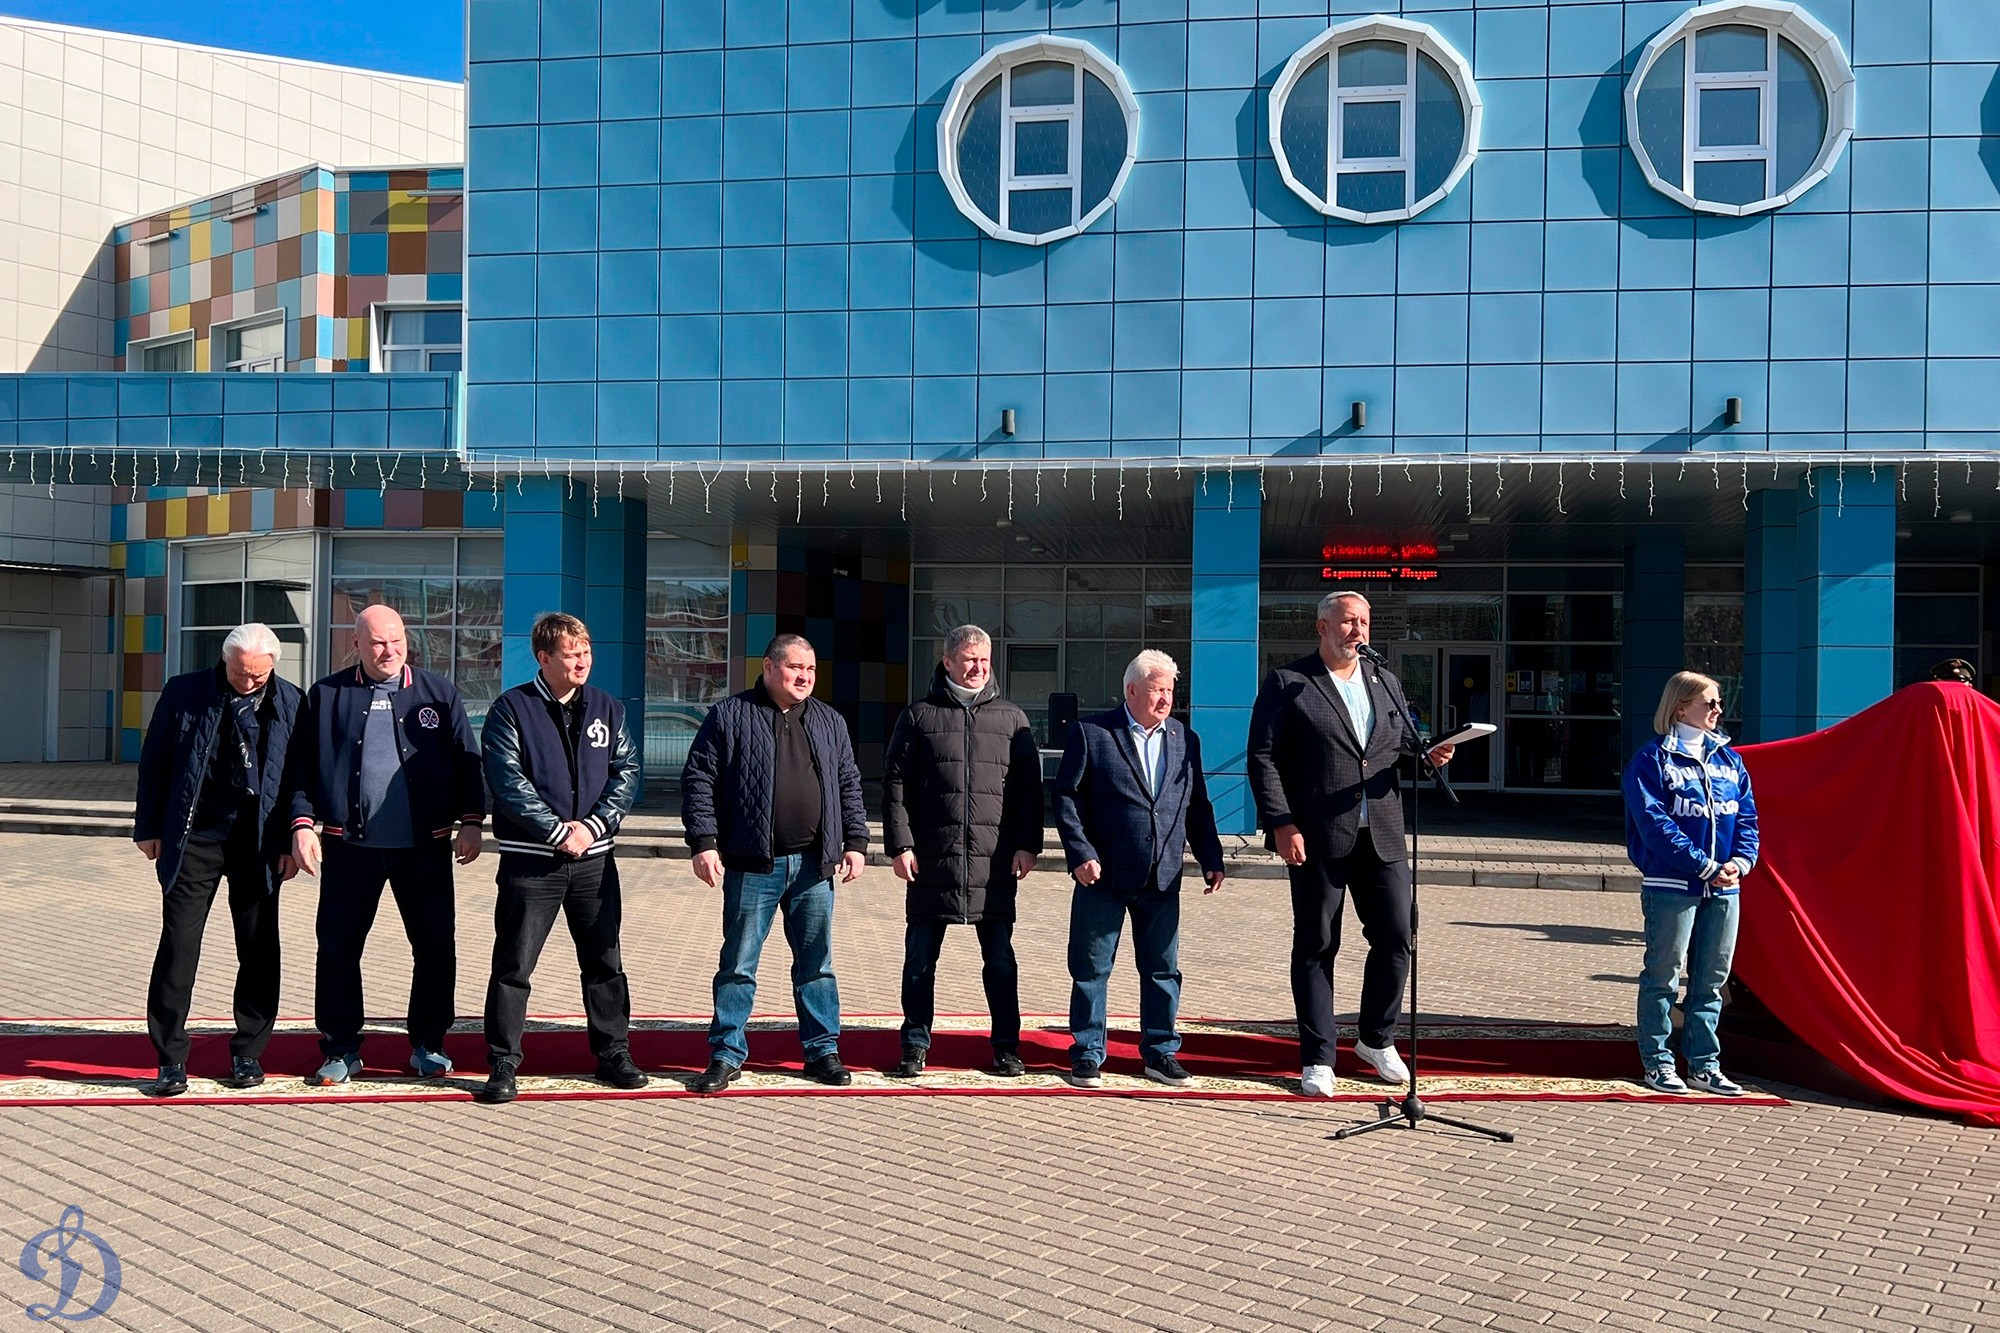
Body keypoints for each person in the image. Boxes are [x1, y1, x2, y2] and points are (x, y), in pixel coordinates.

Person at [1245, 590, 1456, 1099]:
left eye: (1363, 621)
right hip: (1317, 835)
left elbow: (1396, 747)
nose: (1357, 630)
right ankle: (1318, 1057)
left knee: (1398, 935)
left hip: (1381, 832)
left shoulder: (1385, 680)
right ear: (1322, 627)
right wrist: (1281, 823)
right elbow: (1263, 757)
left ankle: (1376, 1039)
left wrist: (1428, 755)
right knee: (1317, 943)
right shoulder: (1289, 682)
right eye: (1347, 621)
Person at [286, 604, 485, 1087]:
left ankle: (429, 1044)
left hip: (424, 847)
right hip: (349, 847)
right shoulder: (327, 695)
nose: (389, 650)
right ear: (356, 643)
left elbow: (468, 761)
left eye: (396, 640)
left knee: (435, 947)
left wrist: (472, 822)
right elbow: (300, 768)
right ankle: (340, 1047)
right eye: (377, 642)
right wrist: (301, 825)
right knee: (337, 948)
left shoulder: (438, 694)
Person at [680, 634, 869, 1093]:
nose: (804, 677)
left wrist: (856, 841)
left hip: (814, 867)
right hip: (752, 866)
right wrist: (703, 842)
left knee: (816, 965)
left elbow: (848, 782)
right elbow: (699, 779)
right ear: (768, 667)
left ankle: (822, 1051)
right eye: (795, 667)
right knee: (738, 964)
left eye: (811, 669)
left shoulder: (829, 721)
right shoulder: (730, 715)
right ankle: (726, 1054)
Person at [476, 612, 644, 1105]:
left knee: (605, 963)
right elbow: (507, 781)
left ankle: (614, 1052)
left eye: (586, 652)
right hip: (533, 863)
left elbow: (626, 771)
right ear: (544, 657)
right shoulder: (512, 709)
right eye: (571, 654)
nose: (582, 662)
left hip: (594, 861)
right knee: (514, 965)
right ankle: (503, 1062)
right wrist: (554, 831)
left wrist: (592, 827)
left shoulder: (608, 708)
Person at [132, 624, 301, 1097]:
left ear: (273, 666)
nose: (248, 682)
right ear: (224, 660)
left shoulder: (291, 700)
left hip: (258, 841)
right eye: (240, 673)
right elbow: (155, 761)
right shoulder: (183, 692)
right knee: (179, 944)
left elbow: (296, 777)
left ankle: (249, 1051)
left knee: (259, 947)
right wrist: (148, 827)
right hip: (194, 838)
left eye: (258, 676)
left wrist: (291, 838)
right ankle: (170, 1058)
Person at [1051, 650, 1225, 1089]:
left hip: (1162, 876)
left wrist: (1211, 858)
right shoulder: (1093, 733)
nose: (1165, 699)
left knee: (1163, 970)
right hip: (1102, 875)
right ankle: (1087, 1053)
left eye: (1170, 691)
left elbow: (1196, 804)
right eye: (1156, 690)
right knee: (1091, 969)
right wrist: (1079, 853)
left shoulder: (1184, 738)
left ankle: (1161, 1053)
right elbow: (1066, 797)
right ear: (1131, 690)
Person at [881, 624, 1044, 1079]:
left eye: (984, 659)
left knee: (1001, 962)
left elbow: (1029, 790)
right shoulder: (918, 716)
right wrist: (900, 844)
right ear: (948, 661)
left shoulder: (1012, 719)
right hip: (932, 859)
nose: (978, 667)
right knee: (919, 961)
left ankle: (1006, 1047)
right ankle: (914, 1045)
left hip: (994, 862)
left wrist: (1027, 845)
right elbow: (895, 784)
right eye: (970, 659)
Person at [1622, 670, 1760, 1097]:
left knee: (1711, 981)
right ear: (1681, 708)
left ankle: (1704, 1065)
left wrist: (1740, 862)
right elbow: (1655, 825)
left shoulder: (1730, 761)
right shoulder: (1651, 760)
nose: (1718, 709)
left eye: (1718, 702)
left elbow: (1748, 819)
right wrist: (1703, 865)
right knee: (1663, 975)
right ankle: (1658, 1061)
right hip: (1671, 886)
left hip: (1725, 887)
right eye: (1709, 702)